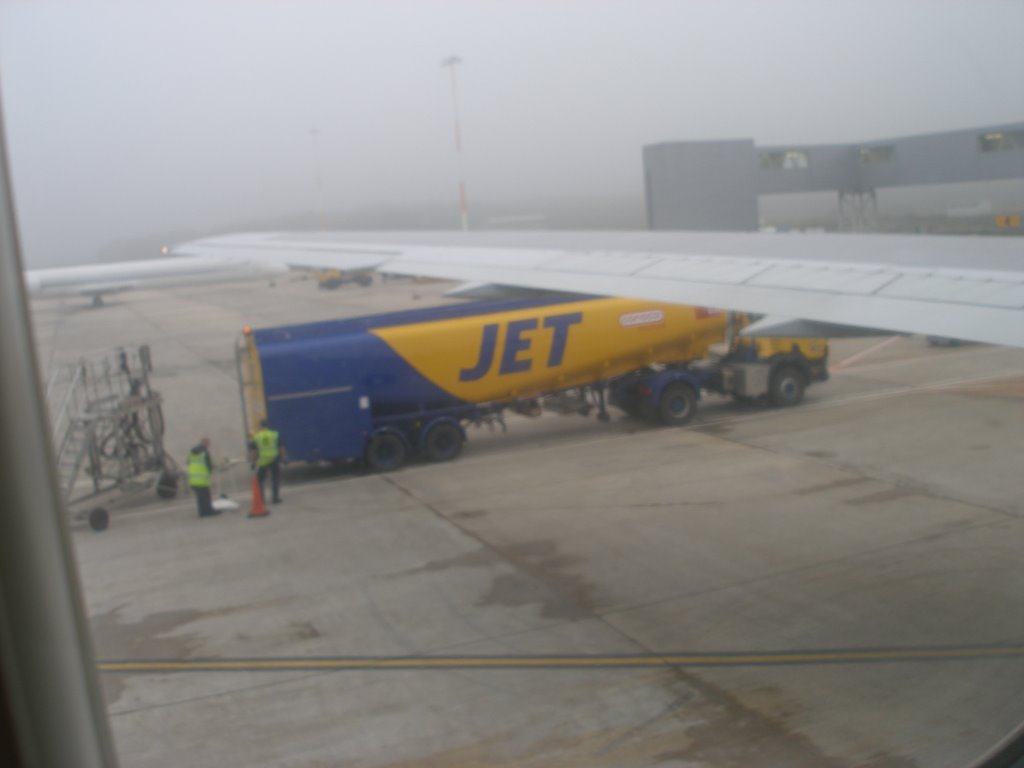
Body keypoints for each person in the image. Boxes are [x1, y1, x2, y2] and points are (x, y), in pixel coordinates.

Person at [249, 419, 286, 504]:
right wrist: (283, 457)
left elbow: (254, 452)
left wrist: (253, 462)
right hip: (274, 459)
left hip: (263, 461)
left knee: (260, 480)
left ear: (261, 427)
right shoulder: (274, 434)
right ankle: (275, 498)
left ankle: (261, 499)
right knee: (275, 479)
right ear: (268, 426)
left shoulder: (257, 436)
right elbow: (281, 447)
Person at [187, 437, 219, 518]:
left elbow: (188, 462)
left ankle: (202, 512)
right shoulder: (205, 452)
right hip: (202, 479)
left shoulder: (191, 452)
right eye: (208, 444)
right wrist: (213, 468)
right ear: (206, 444)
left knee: (200, 498)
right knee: (206, 497)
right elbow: (209, 466)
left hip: (193, 479)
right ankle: (208, 511)